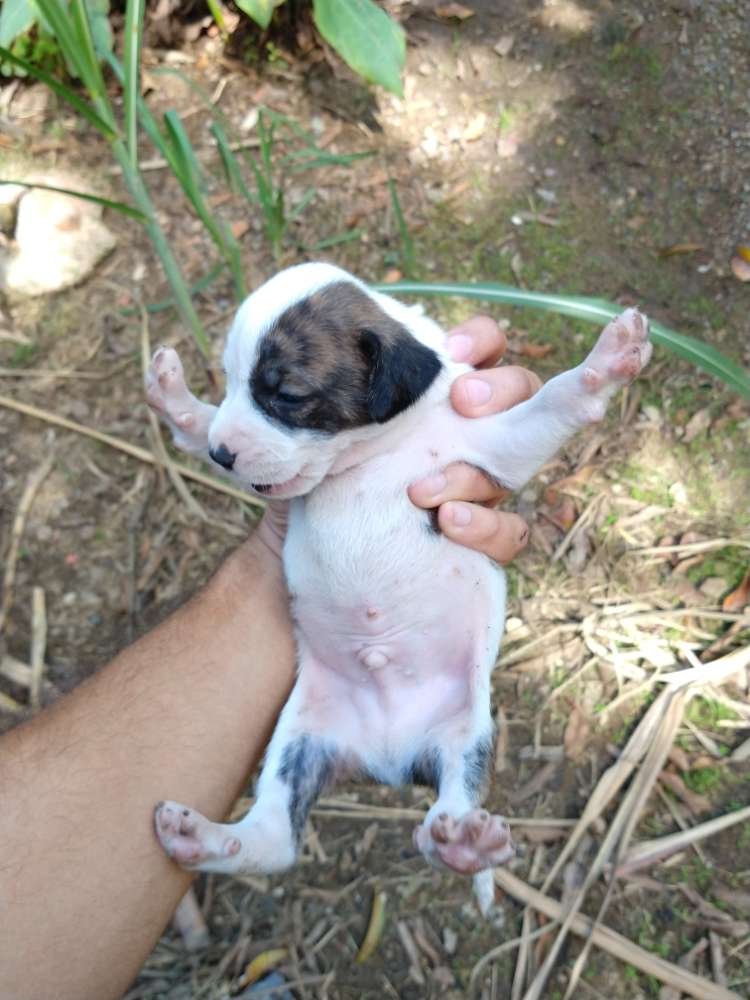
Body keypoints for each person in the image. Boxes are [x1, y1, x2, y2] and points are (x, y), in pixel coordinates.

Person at [0, 317, 541, 1000]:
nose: (232, 427)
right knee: (329, 724)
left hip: (403, 645)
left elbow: (266, 445)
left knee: (460, 725)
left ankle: (450, 812)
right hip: (344, 655)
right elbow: (251, 444)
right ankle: (277, 826)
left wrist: (587, 389)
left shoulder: (398, 384)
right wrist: (198, 422)